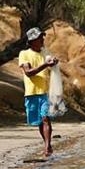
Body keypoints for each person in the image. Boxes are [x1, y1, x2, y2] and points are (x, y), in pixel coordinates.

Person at [18, 27, 59, 157]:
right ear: (31, 41)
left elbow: (50, 66)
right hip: (31, 92)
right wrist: (46, 65)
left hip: (44, 92)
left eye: (42, 37)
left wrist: (53, 64)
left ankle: (47, 147)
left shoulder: (45, 52)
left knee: (45, 118)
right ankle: (47, 144)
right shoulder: (24, 54)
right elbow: (29, 73)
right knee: (40, 122)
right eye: (39, 38)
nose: (42, 40)